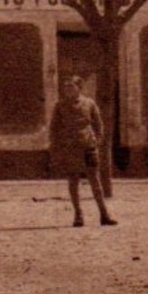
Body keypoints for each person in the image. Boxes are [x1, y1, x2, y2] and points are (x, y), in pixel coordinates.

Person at [49, 75, 116, 228]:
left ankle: (104, 214)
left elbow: (98, 124)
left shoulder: (89, 103)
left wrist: (96, 141)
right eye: (65, 87)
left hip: (88, 146)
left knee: (95, 180)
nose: (67, 89)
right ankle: (78, 215)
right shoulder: (60, 106)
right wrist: (57, 145)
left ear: (79, 87)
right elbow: (54, 128)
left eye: (71, 86)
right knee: (73, 180)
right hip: (70, 147)